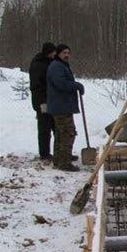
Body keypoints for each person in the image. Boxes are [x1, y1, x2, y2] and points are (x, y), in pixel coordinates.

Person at [46, 44, 85, 172]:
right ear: (58, 54)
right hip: (61, 106)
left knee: (61, 133)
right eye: (64, 53)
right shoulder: (56, 67)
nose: (67, 55)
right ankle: (64, 162)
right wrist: (77, 85)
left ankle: (59, 159)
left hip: (62, 105)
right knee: (68, 133)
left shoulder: (60, 65)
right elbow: (61, 84)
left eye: (68, 53)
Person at [29, 42, 56, 161]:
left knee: (56, 127)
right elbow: (37, 85)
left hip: (51, 99)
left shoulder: (49, 62)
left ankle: (59, 153)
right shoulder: (38, 64)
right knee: (44, 128)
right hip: (42, 100)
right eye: (52, 52)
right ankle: (44, 153)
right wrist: (42, 101)